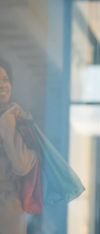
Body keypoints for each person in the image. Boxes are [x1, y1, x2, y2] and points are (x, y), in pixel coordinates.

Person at [0, 63, 38, 234]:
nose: (2, 85)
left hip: (9, 206)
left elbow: (22, 166)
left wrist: (8, 123)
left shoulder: (18, 119)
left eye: (6, 80)